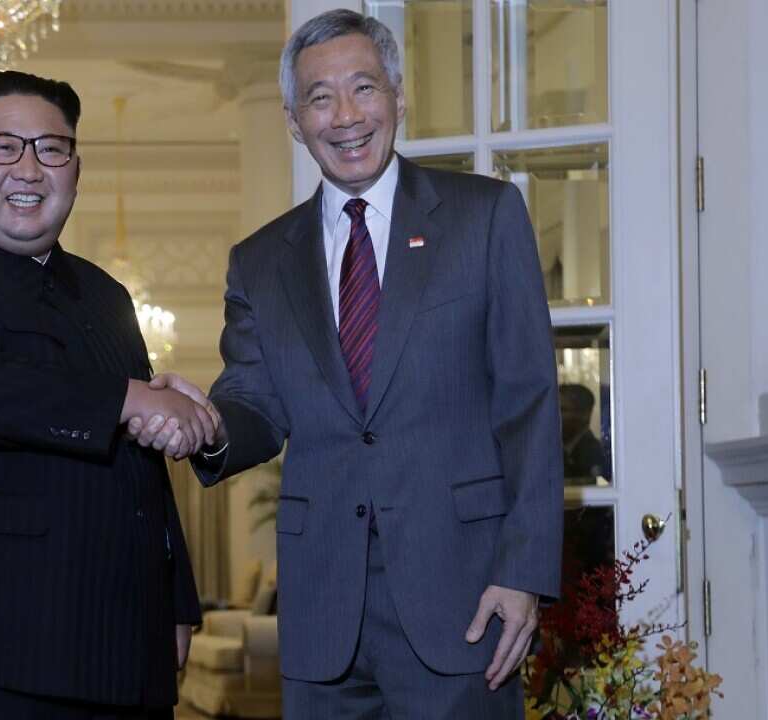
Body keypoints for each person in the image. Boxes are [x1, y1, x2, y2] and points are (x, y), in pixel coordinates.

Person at [132, 9, 563, 718]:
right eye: (320, 97)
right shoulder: (261, 260)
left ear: (397, 95)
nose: (346, 115)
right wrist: (203, 422)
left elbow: (529, 404)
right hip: (323, 610)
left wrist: (523, 572)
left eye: (363, 88)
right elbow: (257, 404)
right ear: (295, 120)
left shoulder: (485, 217)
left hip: (463, 596)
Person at [0, 70, 218, 719]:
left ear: (75, 169)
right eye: (2, 146)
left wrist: (177, 599)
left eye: (52, 149)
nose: (29, 168)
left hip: (126, 650)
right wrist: (134, 400)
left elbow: (144, 472)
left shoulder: (106, 295)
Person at [559, 383, 610, 483]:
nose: (555, 416)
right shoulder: (554, 450)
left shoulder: (594, 455)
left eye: (563, 410)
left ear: (584, 414)